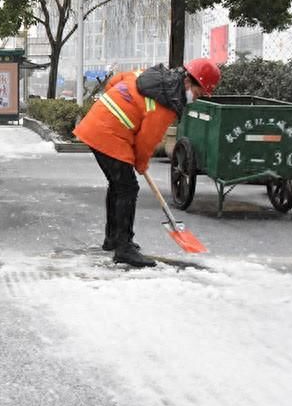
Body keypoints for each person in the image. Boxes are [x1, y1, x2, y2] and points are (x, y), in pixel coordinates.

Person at [73, 58, 221, 267]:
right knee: (128, 188)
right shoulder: (166, 104)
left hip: (97, 123)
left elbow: (116, 80)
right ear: (189, 82)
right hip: (108, 134)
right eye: (198, 93)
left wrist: (120, 103)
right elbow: (146, 141)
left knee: (118, 185)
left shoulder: (151, 77)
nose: (196, 98)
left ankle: (114, 239)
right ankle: (123, 248)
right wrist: (141, 164)